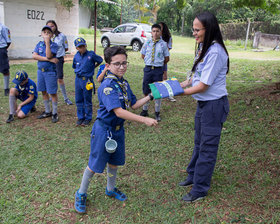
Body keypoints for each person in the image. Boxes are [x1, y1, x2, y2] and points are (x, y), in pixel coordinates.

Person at [74, 46, 158, 214]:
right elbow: (119, 111)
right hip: (104, 130)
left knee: (114, 162)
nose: (121, 67)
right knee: (94, 164)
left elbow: (132, 105)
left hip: (118, 130)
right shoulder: (108, 86)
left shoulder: (123, 83)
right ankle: (81, 193)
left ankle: (110, 189)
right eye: (117, 64)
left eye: (124, 63)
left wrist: (151, 95)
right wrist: (144, 119)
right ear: (108, 65)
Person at [178, 12, 230, 202]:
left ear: (209, 29)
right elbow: (195, 77)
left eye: (197, 29)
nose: (194, 33)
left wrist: (179, 93)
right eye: (193, 29)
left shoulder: (215, 51)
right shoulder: (204, 47)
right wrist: (178, 85)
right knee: (199, 142)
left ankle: (199, 189)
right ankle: (193, 176)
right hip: (203, 104)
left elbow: (203, 85)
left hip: (214, 106)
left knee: (207, 147)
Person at [140, 23, 170, 122]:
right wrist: (149, 63)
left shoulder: (163, 44)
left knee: (157, 91)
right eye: (154, 31)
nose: (155, 33)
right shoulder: (147, 42)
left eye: (157, 31)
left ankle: (157, 112)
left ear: (160, 32)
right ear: (151, 32)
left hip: (158, 70)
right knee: (146, 90)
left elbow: (166, 58)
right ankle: (145, 110)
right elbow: (143, 55)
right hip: (148, 69)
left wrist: (158, 64)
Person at [72, 37, 103, 126]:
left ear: (86, 45)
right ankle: (80, 117)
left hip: (87, 80)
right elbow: (74, 66)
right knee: (78, 99)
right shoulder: (76, 56)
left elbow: (100, 60)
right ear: (77, 48)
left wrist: (92, 67)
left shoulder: (91, 54)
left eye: (83, 46)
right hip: (78, 79)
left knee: (87, 99)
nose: (82, 48)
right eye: (80, 47)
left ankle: (88, 118)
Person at [32, 25, 59, 123]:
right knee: (43, 91)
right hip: (41, 71)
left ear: (52, 35)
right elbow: (34, 56)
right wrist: (50, 60)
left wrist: (47, 42)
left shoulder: (54, 45)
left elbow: (48, 54)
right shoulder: (39, 44)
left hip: (50, 72)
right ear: (41, 34)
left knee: (52, 92)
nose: (46, 34)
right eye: (44, 32)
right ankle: (47, 111)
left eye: (49, 33)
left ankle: (54, 112)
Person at [46, 20, 73, 105]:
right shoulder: (46, 36)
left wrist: (59, 55)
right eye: (48, 26)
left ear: (56, 26)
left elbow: (66, 48)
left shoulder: (62, 36)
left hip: (58, 59)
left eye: (52, 26)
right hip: (49, 60)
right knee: (51, 78)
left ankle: (66, 98)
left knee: (60, 79)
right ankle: (52, 96)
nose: (50, 28)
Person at [159, 22, 175, 102]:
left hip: (164, 60)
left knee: (165, 77)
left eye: (160, 27)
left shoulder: (168, 37)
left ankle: (169, 94)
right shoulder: (156, 36)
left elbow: (168, 49)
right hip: (156, 61)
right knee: (156, 77)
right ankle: (158, 93)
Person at [0, 22, 12, 96]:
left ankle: (6, 88)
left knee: (5, 69)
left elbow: (8, 41)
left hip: (1, 49)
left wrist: (3, 50)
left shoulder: (3, 28)